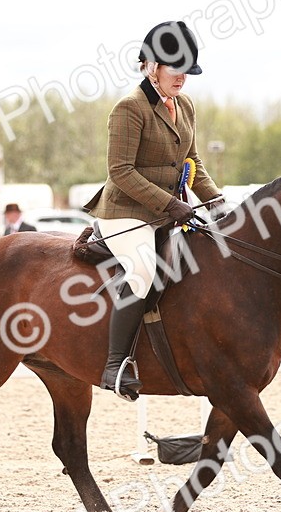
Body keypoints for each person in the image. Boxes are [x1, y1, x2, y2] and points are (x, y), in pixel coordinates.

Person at [83, 20, 222, 401]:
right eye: (175, 68)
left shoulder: (185, 106)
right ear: (151, 67)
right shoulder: (129, 109)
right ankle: (115, 365)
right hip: (126, 212)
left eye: (187, 70)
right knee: (143, 269)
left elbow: (192, 160)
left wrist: (216, 201)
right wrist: (172, 204)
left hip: (167, 212)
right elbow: (121, 172)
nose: (182, 77)